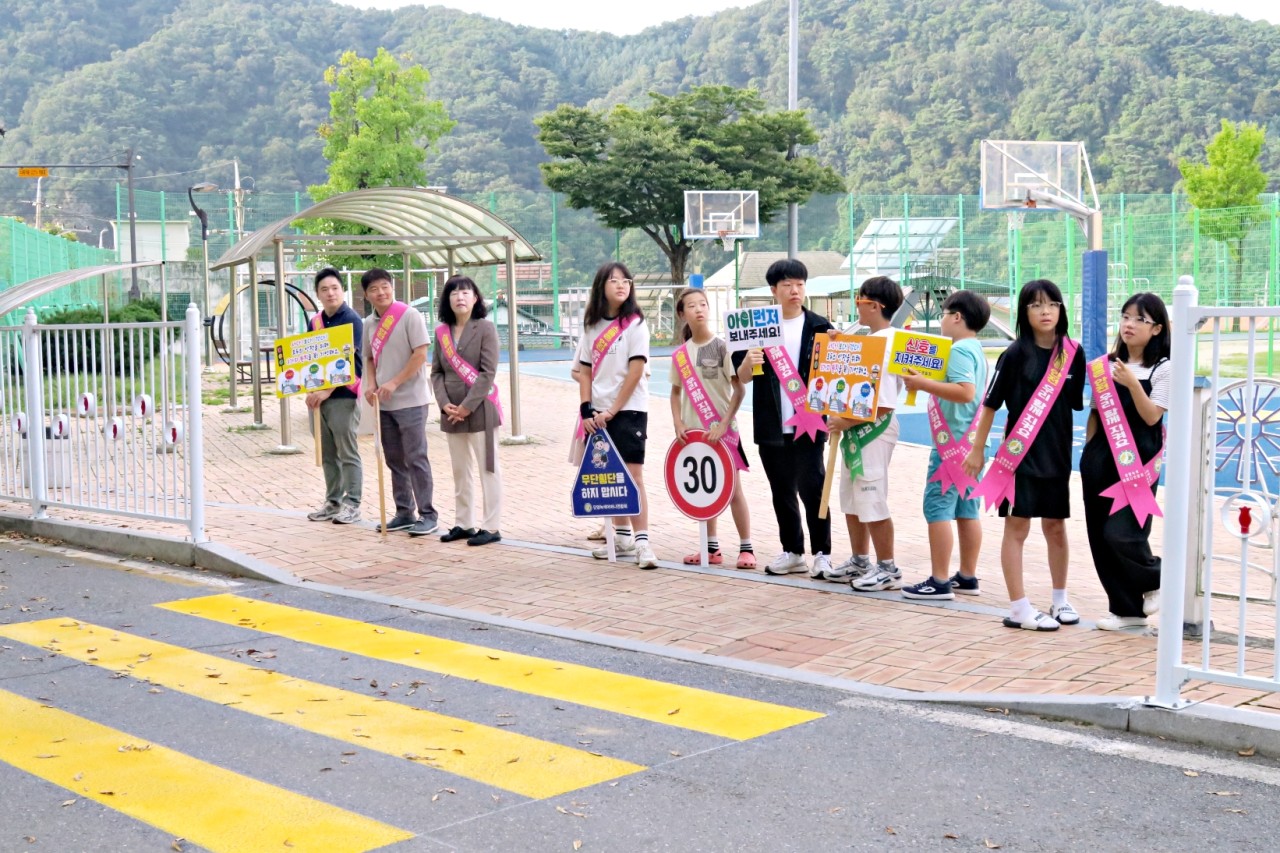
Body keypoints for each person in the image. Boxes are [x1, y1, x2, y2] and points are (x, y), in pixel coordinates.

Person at [964, 279, 1086, 632]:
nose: (1045, 311)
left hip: (1058, 456)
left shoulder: (1072, 353)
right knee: (1017, 528)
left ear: (1061, 309)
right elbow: (989, 405)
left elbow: (1073, 405)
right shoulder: (1015, 354)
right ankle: (1018, 607)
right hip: (1019, 459)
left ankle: (1060, 600)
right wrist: (977, 450)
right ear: (1024, 313)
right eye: (1035, 305)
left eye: (1052, 304)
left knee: (1056, 528)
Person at [733, 259, 833, 577]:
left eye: (800, 284)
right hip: (771, 424)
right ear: (773, 290)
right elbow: (743, 376)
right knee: (782, 492)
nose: (795, 290)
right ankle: (792, 551)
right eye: (788, 285)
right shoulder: (755, 327)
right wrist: (749, 360)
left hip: (810, 422)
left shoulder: (820, 326)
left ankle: (822, 554)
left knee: (814, 488)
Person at [1081, 293, 1170, 630]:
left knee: (1123, 534)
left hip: (1137, 465)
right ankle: (1126, 611)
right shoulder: (1106, 365)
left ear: (1157, 328)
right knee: (1100, 539)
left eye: (1139, 319)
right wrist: (1089, 455)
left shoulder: (1163, 368)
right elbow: (1094, 414)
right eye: (1126, 317)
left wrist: (1133, 384)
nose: (1129, 325)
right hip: (1100, 461)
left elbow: (1151, 418)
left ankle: (1161, 578)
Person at [899, 291, 991, 600]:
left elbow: (965, 392)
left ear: (957, 317)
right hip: (973, 442)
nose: (941, 321)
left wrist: (922, 384)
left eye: (943, 314)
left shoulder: (959, 351)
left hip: (953, 445)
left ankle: (939, 581)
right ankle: (967, 576)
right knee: (967, 510)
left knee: (937, 508)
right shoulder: (977, 349)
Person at [826, 276, 905, 590]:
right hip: (853, 432)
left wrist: (847, 423)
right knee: (851, 499)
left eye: (859, 299)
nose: (856, 304)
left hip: (873, 430)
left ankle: (888, 568)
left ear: (874, 305)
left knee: (872, 498)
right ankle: (860, 560)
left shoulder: (887, 344)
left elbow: (883, 403)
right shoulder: (867, 340)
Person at [575, 262, 656, 568]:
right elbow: (584, 370)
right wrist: (587, 409)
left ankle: (643, 542)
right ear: (601, 287)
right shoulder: (591, 325)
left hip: (630, 409)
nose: (622, 285)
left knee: (633, 476)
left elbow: (635, 372)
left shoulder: (635, 324)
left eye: (626, 281)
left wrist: (612, 410)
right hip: (597, 412)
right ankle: (621, 538)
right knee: (609, 476)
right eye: (614, 281)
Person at [669, 287, 755, 568]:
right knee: (707, 490)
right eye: (691, 306)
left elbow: (739, 391)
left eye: (703, 304)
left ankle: (746, 548)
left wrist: (724, 424)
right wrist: (678, 422)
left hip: (723, 432)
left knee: (733, 490)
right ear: (682, 314)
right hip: (694, 434)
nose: (699, 309)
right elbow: (675, 392)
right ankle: (711, 549)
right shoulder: (680, 355)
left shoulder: (722, 347)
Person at [361, 268, 438, 537]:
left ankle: (428, 514)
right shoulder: (368, 324)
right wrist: (371, 384)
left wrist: (394, 382)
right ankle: (404, 511)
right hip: (383, 403)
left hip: (411, 400)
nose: (381, 292)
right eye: (374, 289)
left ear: (392, 287)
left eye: (385, 286)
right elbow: (368, 358)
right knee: (394, 458)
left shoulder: (409, 315)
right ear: (366, 294)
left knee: (416, 457)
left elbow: (420, 354)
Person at [430, 275, 503, 547]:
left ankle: (492, 526)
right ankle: (464, 523)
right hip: (451, 413)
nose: (460, 297)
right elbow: (436, 372)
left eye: (465, 292)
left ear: (475, 298)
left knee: (488, 469)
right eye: (454, 293)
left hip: (481, 411)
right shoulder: (441, 333)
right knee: (460, 470)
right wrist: (443, 402)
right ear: (447, 299)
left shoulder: (485, 328)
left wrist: (466, 407)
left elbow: (488, 373)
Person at [305, 267, 364, 525]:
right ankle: (333, 501)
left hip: (343, 397)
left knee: (347, 452)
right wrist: (309, 390)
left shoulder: (352, 320)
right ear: (317, 294)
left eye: (335, 288)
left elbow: (350, 361)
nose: (330, 293)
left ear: (342, 290)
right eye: (324, 289)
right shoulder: (315, 322)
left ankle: (352, 503)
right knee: (328, 453)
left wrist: (326, 390)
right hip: (319, 398)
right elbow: (307, 360)